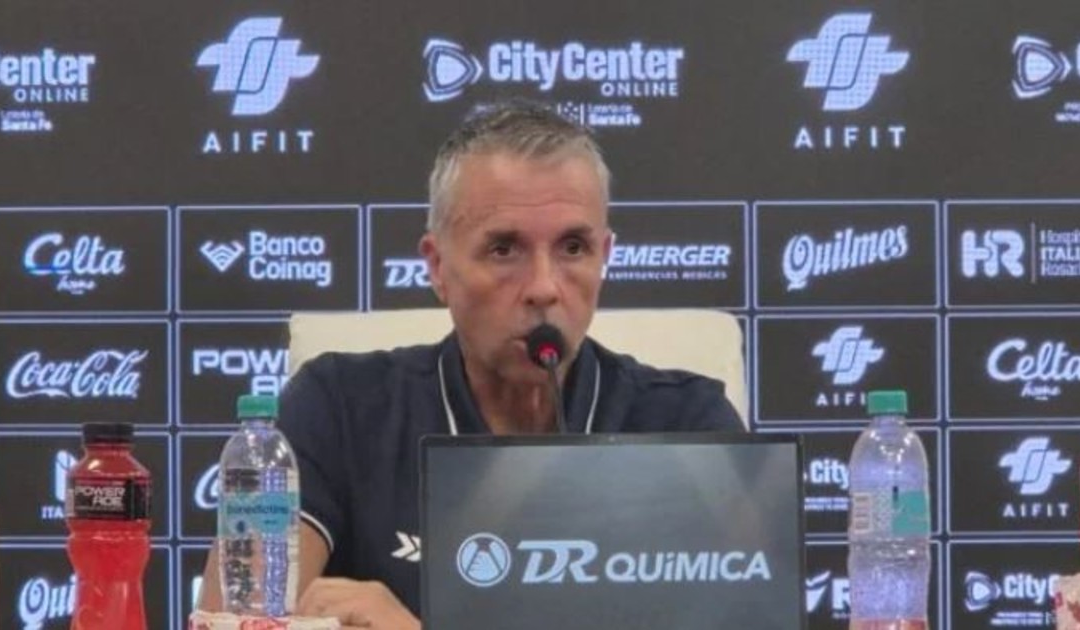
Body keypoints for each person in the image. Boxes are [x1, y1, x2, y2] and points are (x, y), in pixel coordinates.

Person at [200, 99, 744, 628]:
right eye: (504, 249)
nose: (543, 287)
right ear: (438, 267)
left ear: (605, 257)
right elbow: (236, 620)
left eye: (573, 247)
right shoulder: (338, 407)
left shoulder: (690, 428)